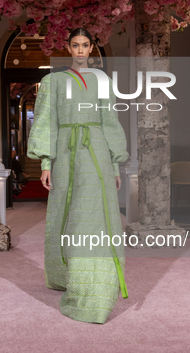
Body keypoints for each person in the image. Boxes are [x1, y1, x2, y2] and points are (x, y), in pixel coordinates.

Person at [27, 28, 129, 324]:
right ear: (68, 48)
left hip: (96, 150)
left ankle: (95, 285)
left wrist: (115, 165)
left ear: (92, 48)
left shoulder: (102, 81)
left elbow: (110, 121)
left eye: (86, 45)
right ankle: (65, 274)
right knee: (67, 212)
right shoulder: (52, 81)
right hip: (65, 151)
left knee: (95, 215)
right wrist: (46, 162)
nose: (81, 50)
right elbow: (46, 121)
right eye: (76, 45)